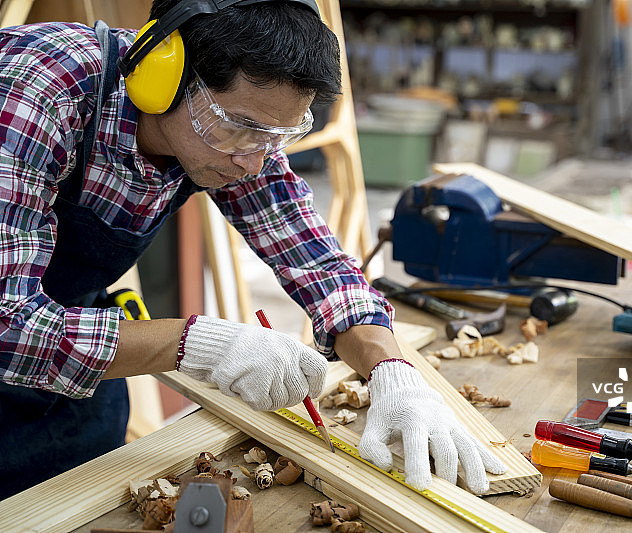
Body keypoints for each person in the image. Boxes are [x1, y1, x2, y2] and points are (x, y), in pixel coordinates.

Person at [0, 0, 505, 500]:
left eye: (279, 135)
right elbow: (7, 324)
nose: (253, 159)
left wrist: (392, 371)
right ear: (164, 73)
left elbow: (315, 261)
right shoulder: (38, 93)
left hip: (66, 355)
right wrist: (200, 345)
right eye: (240, 127)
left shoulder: (240, 134)